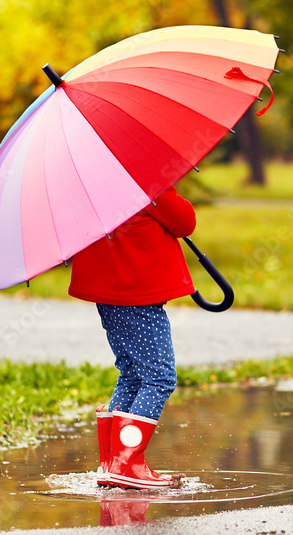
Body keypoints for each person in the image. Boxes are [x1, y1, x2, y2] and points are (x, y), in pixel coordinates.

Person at [68, 185, 196, 489]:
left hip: (109, 295)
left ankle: (112, 464)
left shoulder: (90, 185)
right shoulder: (145, 182)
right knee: (158, 378)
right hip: (137, 296)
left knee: (132, 375)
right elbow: (184, 222)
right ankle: (127, 462)